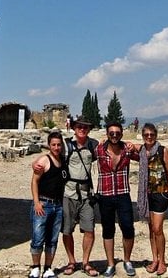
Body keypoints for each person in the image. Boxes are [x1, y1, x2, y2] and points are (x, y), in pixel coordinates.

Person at [34, 116, 99, 276]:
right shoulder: (66, 145)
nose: (82, 129)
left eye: (85, 127)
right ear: (74, 128)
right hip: (68, 193)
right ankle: (71, 261)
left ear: (89, 129)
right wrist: (35, 162)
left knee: (89, 230)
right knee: (67, 230)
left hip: (86, 194)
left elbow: (110, 151)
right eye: (79, 127)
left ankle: (85, 262)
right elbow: (52, 153)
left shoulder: (94, 145)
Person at [96, 122, 140, 277]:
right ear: (107, 134)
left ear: (122, 134)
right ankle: (110, 264)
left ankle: (127, 261)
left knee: (128, 228)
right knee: (108, 230)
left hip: (123, 194)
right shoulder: (99, 149)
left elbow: (145, 156)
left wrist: (135, 145)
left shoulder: (127, 150)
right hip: (105, 195)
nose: (114, 136)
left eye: (117, 133)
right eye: (111, 133)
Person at [135, 123, 168, 276]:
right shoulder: (142, 150)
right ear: (143, 136)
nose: (149, 137)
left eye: (152, 134)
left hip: (160, 193)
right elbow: (128, 145)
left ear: (156, 135)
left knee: (158, 229)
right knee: (151, 229)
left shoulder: (162, 150)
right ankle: (154, 259)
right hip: (147, 194)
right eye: (146, 135)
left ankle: (162, 260)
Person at [29, 131, 67, 278]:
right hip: (44, 205)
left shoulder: (63, 161)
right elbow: (34, 181)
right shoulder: (44, 160)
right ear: (49, 145)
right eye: (53, 145)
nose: (56, 147)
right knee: (38, 238)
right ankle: (35, 267)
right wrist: (37, 202)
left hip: (58, 205)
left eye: (59, 144)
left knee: (52, 239)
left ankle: (48, 268)